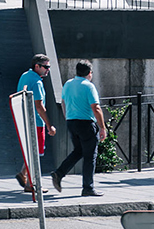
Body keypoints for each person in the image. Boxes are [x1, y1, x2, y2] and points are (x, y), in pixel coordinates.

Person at [51, 60, 107, 197]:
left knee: (78, 151)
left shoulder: (68, 84)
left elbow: (63, 102)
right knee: (90, 156)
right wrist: (102, 127)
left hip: (71, 122)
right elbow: (96, 107)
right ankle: (88, 187)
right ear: (89, 73)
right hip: (86, 123)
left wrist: (67, 118)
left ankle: (59, 173)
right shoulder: (89, 86)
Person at [15, 54, 56, 193]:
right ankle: (32, 184)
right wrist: (49, 125)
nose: (48, 70)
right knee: (35, 154)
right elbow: (39, 106)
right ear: (37, 66)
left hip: (24, 120)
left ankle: (23, 174)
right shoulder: (37, 82)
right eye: (46, 67)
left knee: (30, 152)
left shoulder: (25, 76)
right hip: (36, 122)